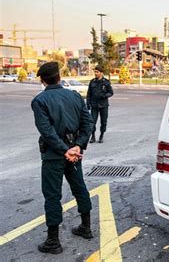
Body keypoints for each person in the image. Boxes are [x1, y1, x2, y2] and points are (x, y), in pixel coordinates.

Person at [31, 62, 94, 254]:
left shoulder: (39, 101)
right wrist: (77, 145)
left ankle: (53, 241)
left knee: (52, 195)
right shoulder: (74, 95)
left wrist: (64, 150)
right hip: (74, 154)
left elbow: (47, 132)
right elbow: (88, 123)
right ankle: (86, 227)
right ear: (59, 76)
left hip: (53, 156)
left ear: (43, 80)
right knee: (79, 187)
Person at [87, 65, 114, 143]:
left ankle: (101, 135)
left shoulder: (106, 82)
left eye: (97, 72)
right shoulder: (92, 82)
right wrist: (88, 103)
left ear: (101, 73)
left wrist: (105, 96)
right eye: (95, 72)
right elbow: (89, 94)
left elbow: (111, 92)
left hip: (103, 105)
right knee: (92, 121)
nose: (95, 73)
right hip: (94, 105)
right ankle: (93, 136)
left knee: (103, 121)